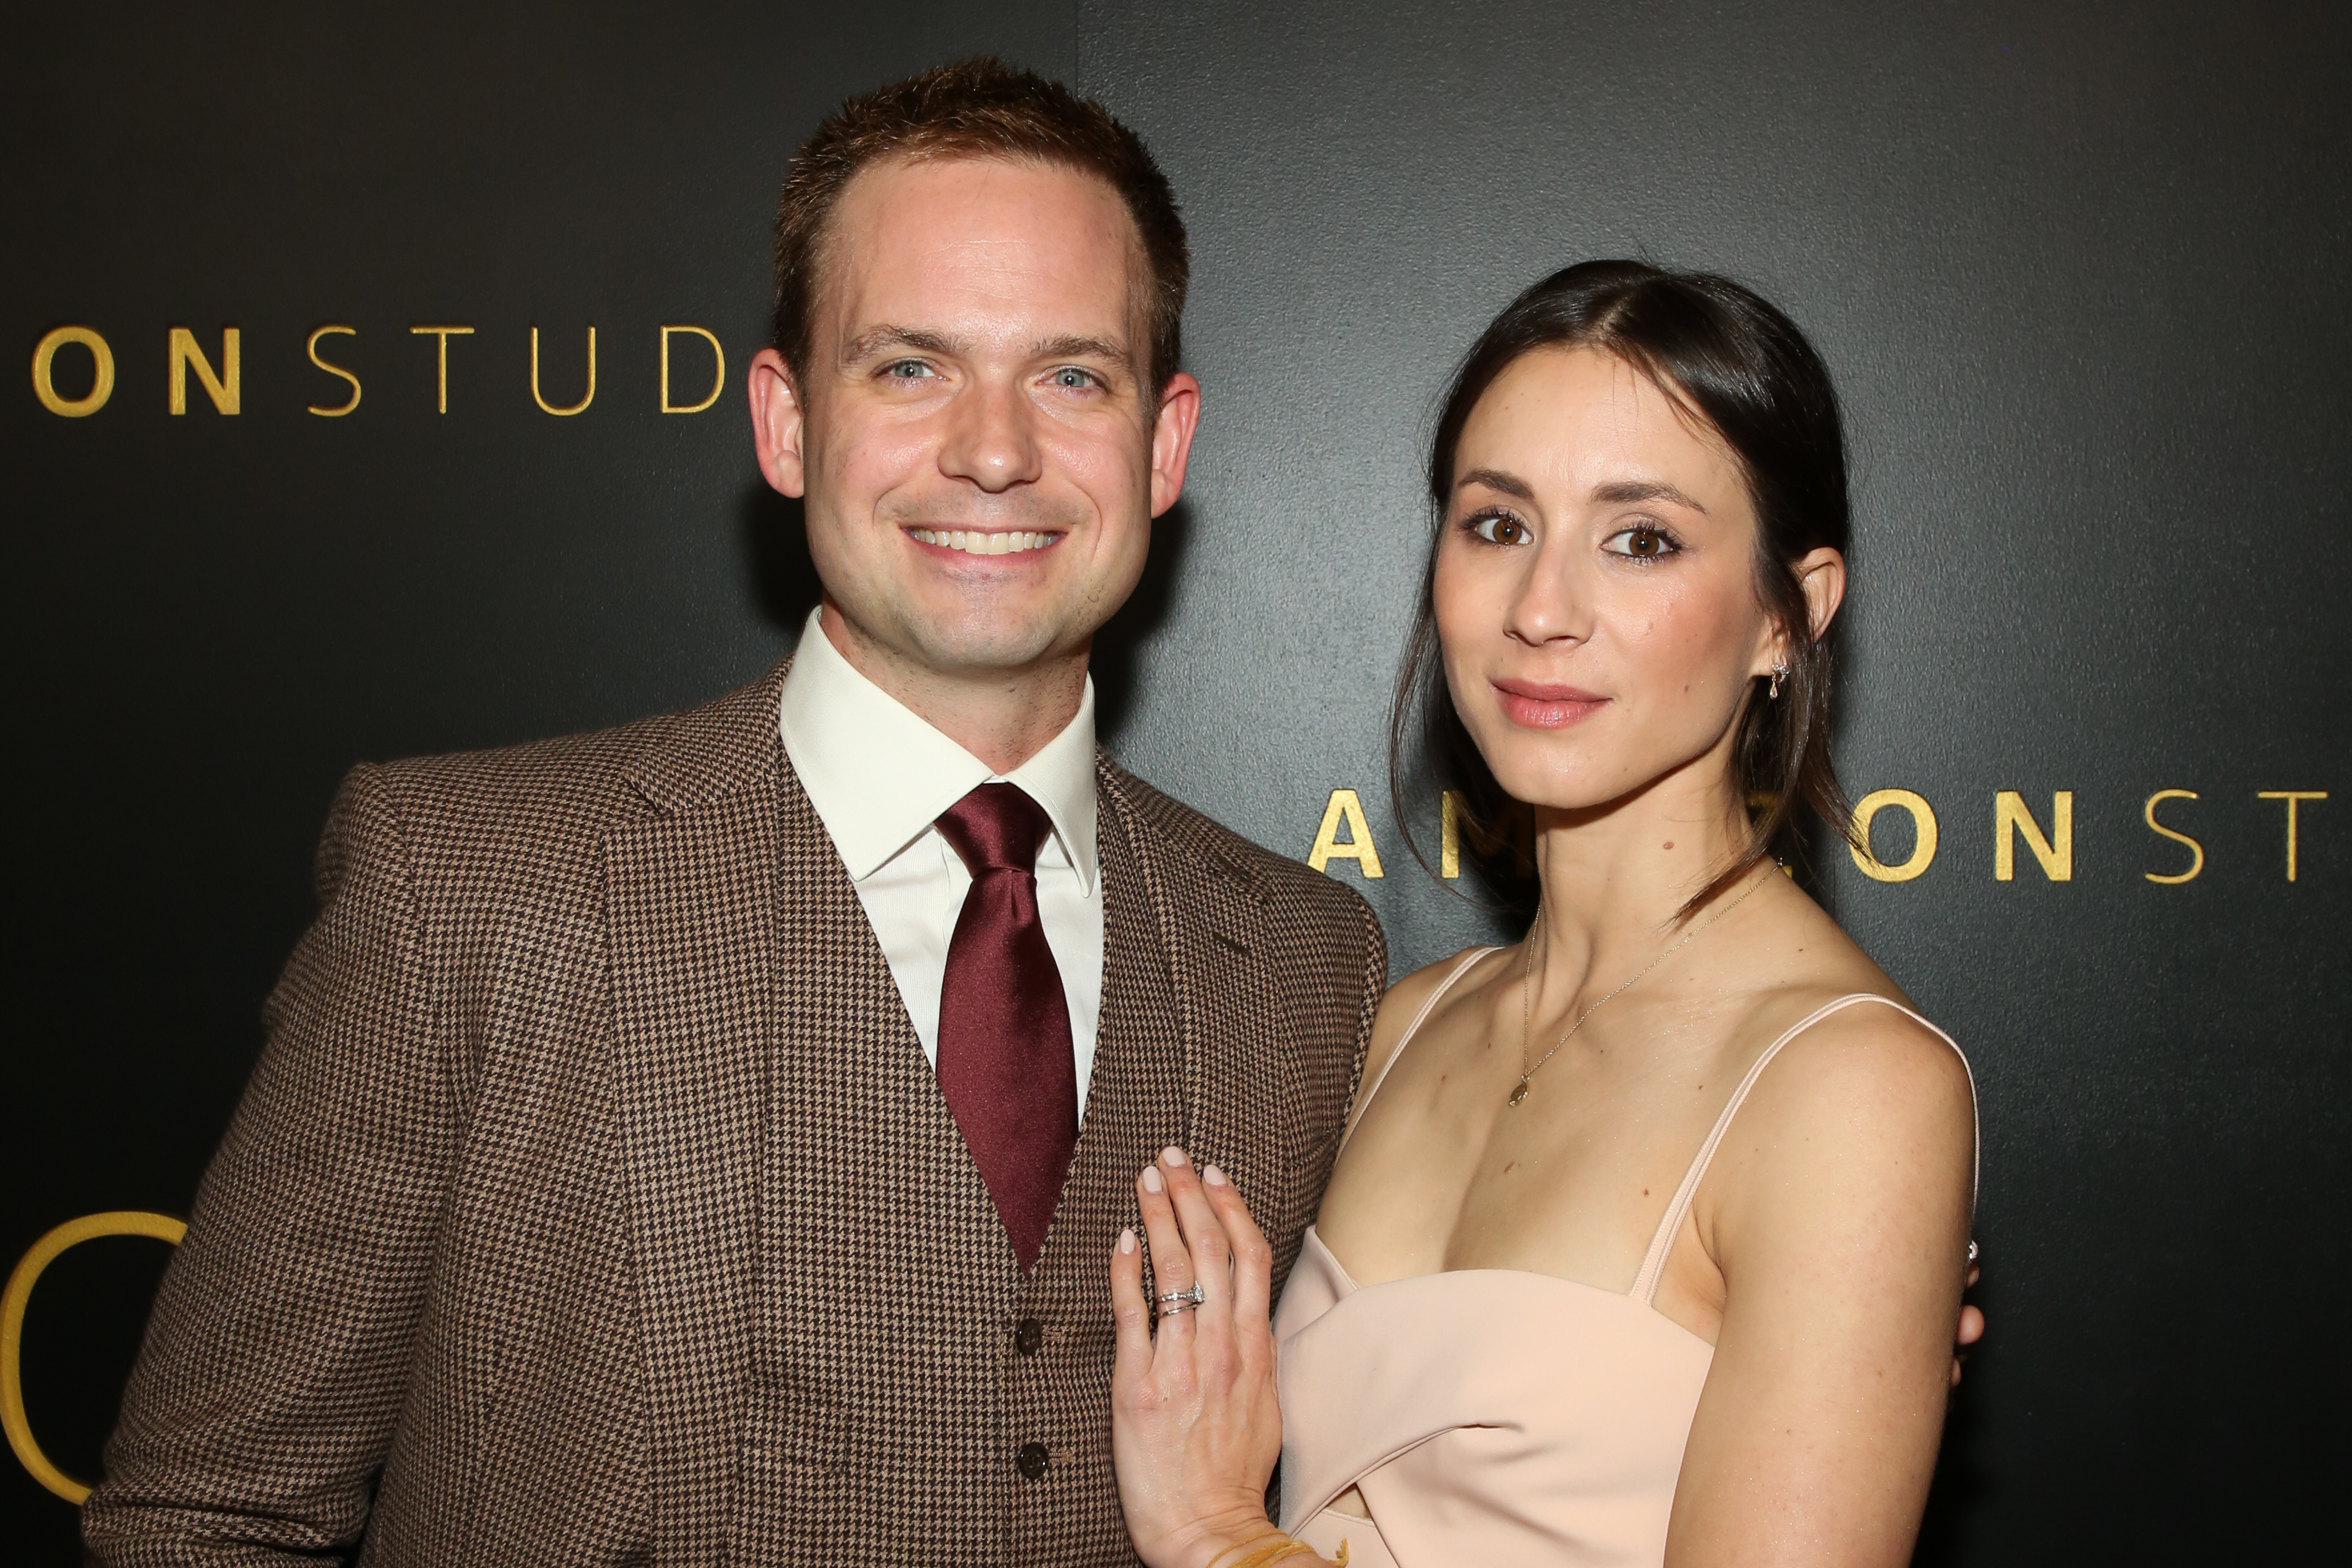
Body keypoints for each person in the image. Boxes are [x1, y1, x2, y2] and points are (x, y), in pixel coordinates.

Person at [81, 60, 1387, 1567]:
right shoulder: (468, 886)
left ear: (1161, 448)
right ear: (784, 421)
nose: (993, 447)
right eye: (909, 366)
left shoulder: (1298, 958)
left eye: (1069, 374)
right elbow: (207, 1517)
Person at [1109, 261, 1984, 1568]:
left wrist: (1218, 1536)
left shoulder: (1850, 1091)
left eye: (1640, 539)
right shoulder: (1402, 1022)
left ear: (1787, 615)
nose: (1537, 609)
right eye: (1495, 523)